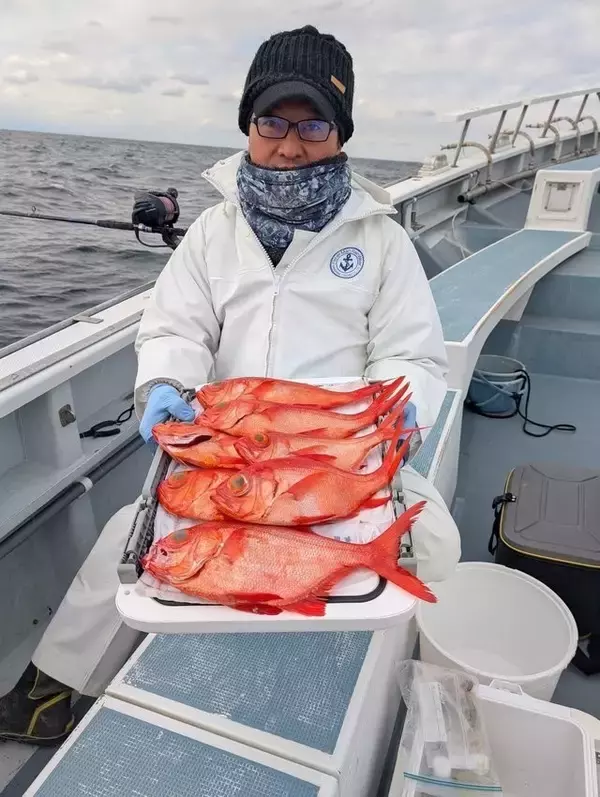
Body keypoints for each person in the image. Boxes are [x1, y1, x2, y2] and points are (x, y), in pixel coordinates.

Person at [0, 24, 460, 745]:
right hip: (232, 455)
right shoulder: (213, 233)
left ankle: (387, 694)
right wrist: (167, 381)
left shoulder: (382, 240)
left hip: (340, 455)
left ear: (340, 134)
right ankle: (53, 688)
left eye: (313, 124)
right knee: (127, 540)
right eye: (272, 121)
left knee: (436, 542)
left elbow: (413, 354)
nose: (290, 144)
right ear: (248, 126)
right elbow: (175, 330)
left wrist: (398, 415)